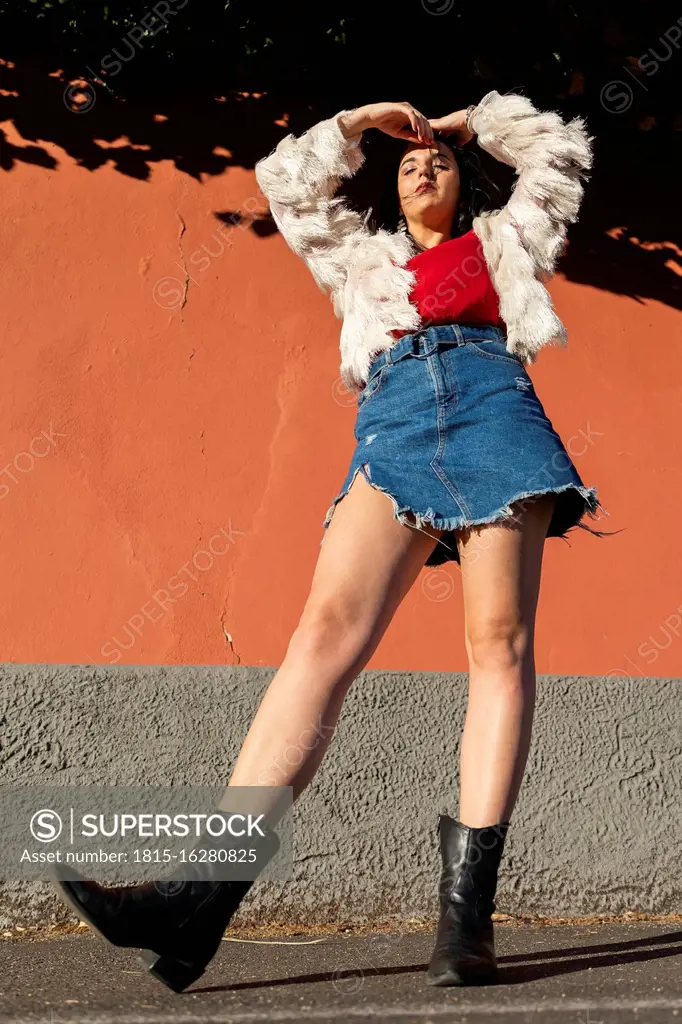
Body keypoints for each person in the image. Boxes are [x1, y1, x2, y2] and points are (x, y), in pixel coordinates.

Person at [54, 91, 613, 992]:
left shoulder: (505, 242)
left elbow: (557, 155)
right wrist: (358, 125)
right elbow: (289, 187)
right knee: (320, 642)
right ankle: (197, 898)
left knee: (497, 645)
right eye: (407, 164)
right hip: (393, 422)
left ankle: (466, 928)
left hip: (496, 412)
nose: (421, 164)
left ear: (462, 182)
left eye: (436, 161)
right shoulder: (362, 260)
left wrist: (473, 121)